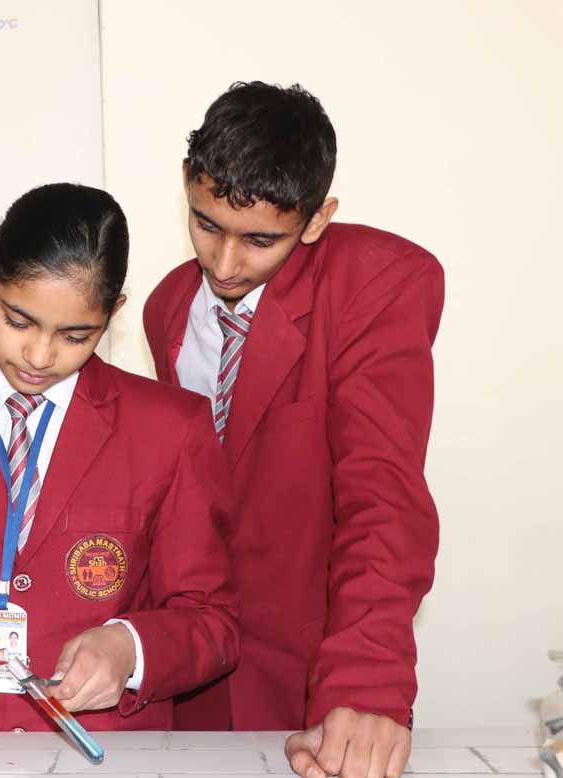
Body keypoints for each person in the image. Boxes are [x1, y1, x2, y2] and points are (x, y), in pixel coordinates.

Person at [0, 183, 238, 731]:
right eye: (18, 321)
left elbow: (213, 623)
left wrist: (131, 649)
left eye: (75, 336)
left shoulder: (170, 430)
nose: (39, 356)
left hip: (107, 755)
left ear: (113, 313)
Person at [142, 81, 443, 778]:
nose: (223, 264)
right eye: (206, 225)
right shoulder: (165, 307)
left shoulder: (374, 282)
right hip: (192, 683)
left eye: (259, 240)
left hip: (315, 679)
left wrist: (366, 680)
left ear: (316, 219)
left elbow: (382, 494)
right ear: (186, 183)